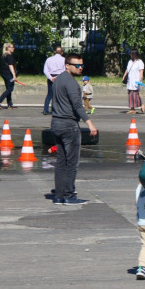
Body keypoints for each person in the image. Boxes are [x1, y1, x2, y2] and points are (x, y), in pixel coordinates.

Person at [49, 53, 97, 205]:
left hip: (56, 123)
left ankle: (59, 195)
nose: (80, 68)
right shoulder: (71, 83)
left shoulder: (57, 80)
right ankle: (69, 195)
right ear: (67, 65)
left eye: (81, 65)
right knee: (72, 162)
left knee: (61, 161)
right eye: (77, 65)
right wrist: (89, 123)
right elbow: (77, 106)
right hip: (69, 125)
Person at [43, 46, 65, 115]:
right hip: (59, 77)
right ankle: (55, 109)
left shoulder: (49, 59)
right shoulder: (64, 59)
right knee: (58, 94)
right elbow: (64, 70)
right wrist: (57, 77)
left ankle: (45, 109)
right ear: (62, 52)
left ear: (55, 52)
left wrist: (50, 77)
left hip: (51, 77)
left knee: (50, 94)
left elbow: (45, 70)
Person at [122, 49, 145, 114]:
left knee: (135, 94)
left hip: (136, 80)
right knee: (130, 94)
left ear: (134, 54)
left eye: (131, 54)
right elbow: (127, 69)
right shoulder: (130, 61)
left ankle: (141, 104)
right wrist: (124, 76)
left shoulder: (140, 62)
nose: (130, 55)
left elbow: (141, 72)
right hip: (130, 80)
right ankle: (132, 108)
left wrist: (139, 80)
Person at [0, 42, 16, 108]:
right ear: (8, 48)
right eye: (12, 47)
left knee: (8, 88)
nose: (13, 48)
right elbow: (11, 66)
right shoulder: (9, 56)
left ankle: (10, 104)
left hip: (4, 73)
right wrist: (14, 75)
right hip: (8, 74)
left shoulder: (4, 56)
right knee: (10, 89)